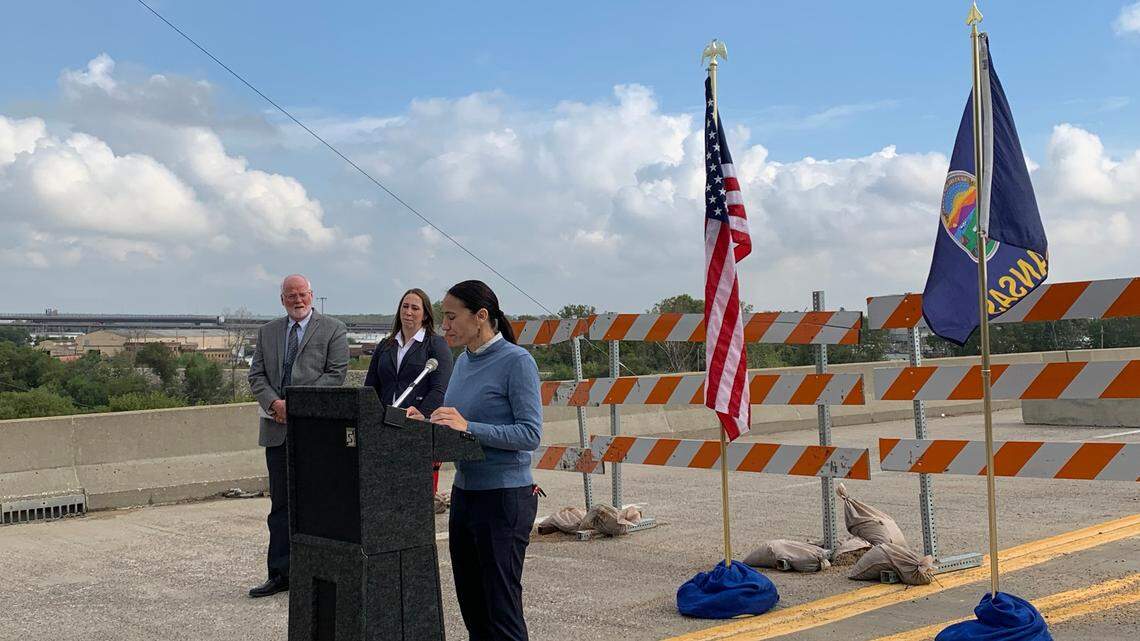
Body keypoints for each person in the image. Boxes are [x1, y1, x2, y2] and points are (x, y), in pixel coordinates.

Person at [407, 280, 542, 641]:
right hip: (465, 496)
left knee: (501, 613)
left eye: (451, 317)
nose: (444, 325)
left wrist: (469, 426)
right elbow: (458, 429)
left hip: (503, 499)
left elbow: (529, 434)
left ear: (481, 316)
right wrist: (428, 425)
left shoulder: (517, 361)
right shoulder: (462, 362)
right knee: (474, 612)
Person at [247, 274, 348, 598]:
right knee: (280, 507)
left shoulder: (334, 329)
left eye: (302, 294)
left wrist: (297, 405)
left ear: (312, 295)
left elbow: (336, 375)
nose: (297, 299)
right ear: (282, 299)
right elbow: (256, 375)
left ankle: (317, 576)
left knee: (318, 506)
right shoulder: (267, 332)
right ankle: (280, 574)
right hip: (277, 431)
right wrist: (275, 404)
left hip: (316, 433)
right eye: (291, 295)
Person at [364, 288, 453, 492]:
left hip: (417, 428)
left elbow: (440, 389)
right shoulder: (385, 346)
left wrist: (422, 417)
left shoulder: (436, 345)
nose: (408, 312)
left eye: (415, 308)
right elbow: (370, 387)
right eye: (405, 306)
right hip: (385, 427)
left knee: (415, 495)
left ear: (426, 314)